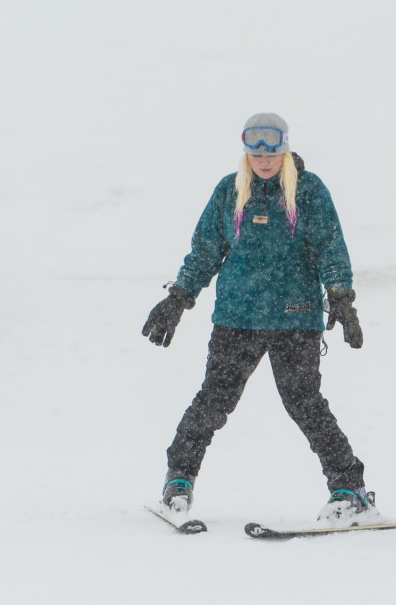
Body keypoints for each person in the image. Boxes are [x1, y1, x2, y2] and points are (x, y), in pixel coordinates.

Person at [142, 112, 381, 527]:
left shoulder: (308, 190)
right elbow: (204, 250)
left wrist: (341, 297)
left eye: (270, 153)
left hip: (295, 317)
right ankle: (178, 482)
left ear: (284, 149)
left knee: (304, 403)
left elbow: (330, 247)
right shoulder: (230, 190)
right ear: (246, 152)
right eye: (255, 153)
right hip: (238, 316)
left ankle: (349, 490)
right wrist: (178, 297)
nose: (263, 161)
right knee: (213, 400)